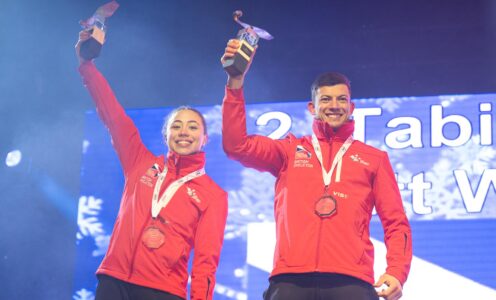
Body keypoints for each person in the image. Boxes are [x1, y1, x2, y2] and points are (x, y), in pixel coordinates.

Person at [220, 39, 412, 300]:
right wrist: (235, 82)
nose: (335, 105)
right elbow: (236, 146)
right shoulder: (288, 150)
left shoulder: (373, 158)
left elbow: (396, 222)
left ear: (351, 107)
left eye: (342, 99)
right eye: (326, 99)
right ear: (312, 107)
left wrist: (397, 271)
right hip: (290, 279)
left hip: (351, 281)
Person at [75, 30, 228, 300]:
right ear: (165, 134)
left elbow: (207, 260)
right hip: (114, 281)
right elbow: (113, 115)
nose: (183, 132)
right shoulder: (140, 162)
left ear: (205, 138)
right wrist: (87, 67)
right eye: (176, 126)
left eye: (193, 127)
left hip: (164, 291)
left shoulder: (213, 195)